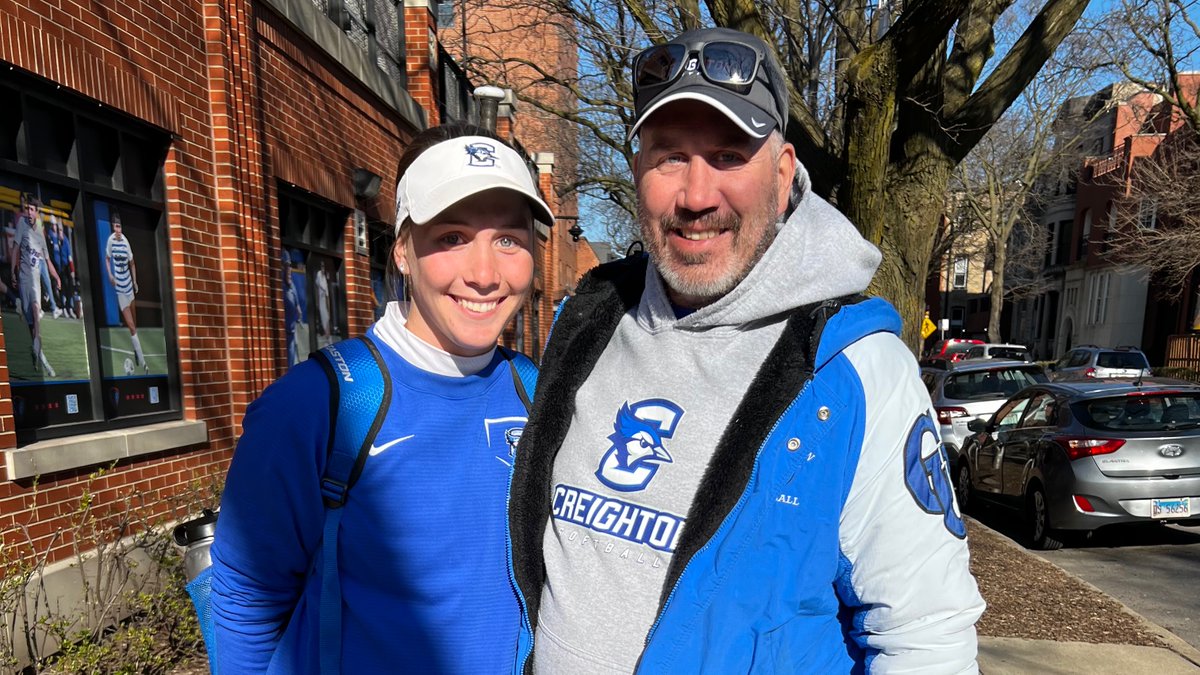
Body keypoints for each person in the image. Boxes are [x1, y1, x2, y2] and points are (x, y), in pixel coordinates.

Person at [508, 27, 985, 673]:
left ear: (784, 171)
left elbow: (927, 635)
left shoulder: (855, 367)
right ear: (637, 168)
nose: (697, 195)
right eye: (669, 155)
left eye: (729, 155)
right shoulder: (588, 319)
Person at [210, 123, 555, 673]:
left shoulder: (537, 392)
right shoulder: (317, 404)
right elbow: (246, 597)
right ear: (401, 252)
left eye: (509, 240)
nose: (485, 274)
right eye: (451, 238)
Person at [12, 194, 60, 376]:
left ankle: (42, 359)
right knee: (32, 327)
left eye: (32, 210)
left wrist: (56, 277)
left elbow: (47, 261)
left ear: (37, 212)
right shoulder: (21, 225)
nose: (29, 213)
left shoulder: (40, 234)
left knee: (35, 312)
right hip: (24, 281)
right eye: (28, 209)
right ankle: (39, 355)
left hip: (35, 285)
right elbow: (15, 249)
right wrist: (13, 273)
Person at [105, 210, 146, 373]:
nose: (118, 230)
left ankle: (136, 351)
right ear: (112, 227)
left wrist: (135, 281)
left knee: (134, 323)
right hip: (120, 289)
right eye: (116, 227)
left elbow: (132, 263)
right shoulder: (110, 242)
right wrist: (110, 275)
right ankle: (143, 363)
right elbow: (107, 259)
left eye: (120, 227)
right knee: (131, 325)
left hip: (129, 287)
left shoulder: (125, 242)